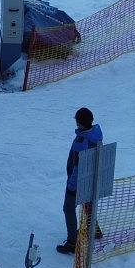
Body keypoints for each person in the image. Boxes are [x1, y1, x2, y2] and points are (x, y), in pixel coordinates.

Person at [58, 107, 103, 253]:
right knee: (88, 203)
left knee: (68, 209)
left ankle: (72, 242)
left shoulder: (81, 141)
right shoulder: (96, 134)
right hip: (91, 178)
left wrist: (71, 187)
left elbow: (78, 168)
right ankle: (94, 229)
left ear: (79, 123)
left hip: (79, 182)